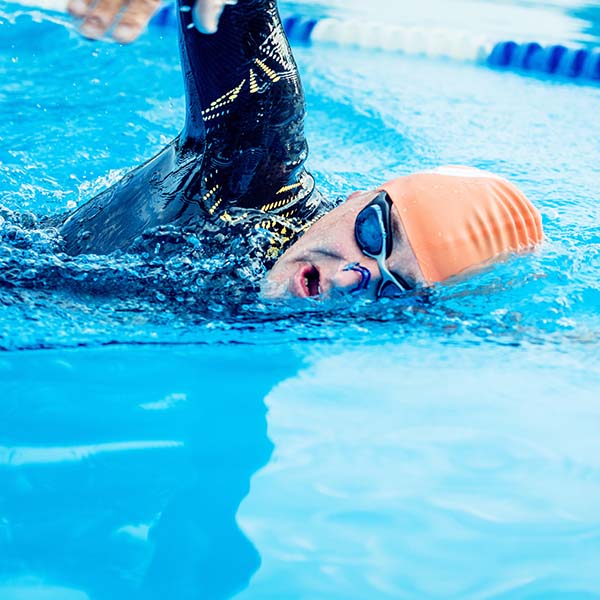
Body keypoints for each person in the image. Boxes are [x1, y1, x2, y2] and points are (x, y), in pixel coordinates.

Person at [61, 0, 544, 301]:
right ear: (358, 197)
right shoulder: (253, 173)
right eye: (374, 232)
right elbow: (237, 25)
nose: (355, 277)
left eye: (395, 287)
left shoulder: (357, 312)